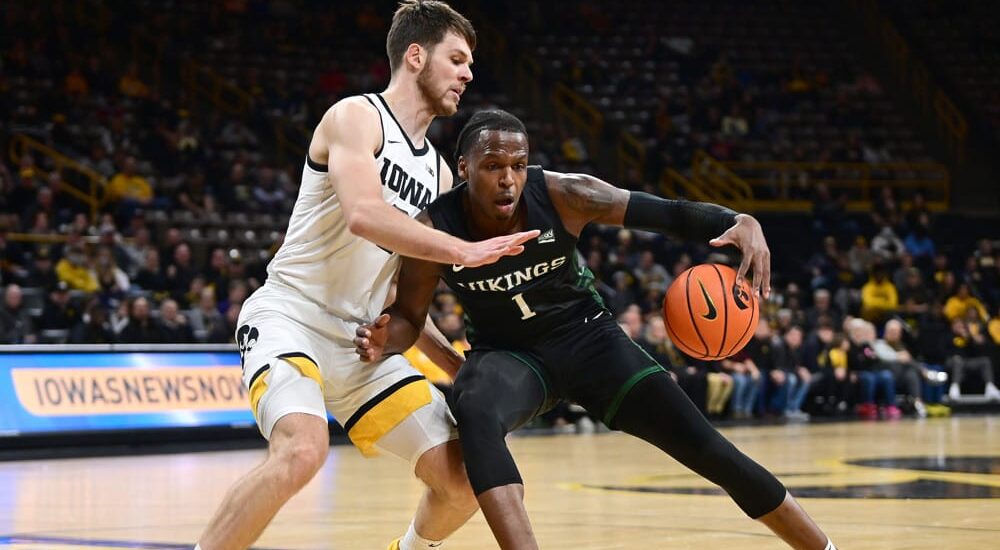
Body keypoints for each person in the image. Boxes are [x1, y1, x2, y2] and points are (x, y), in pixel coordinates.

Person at [355, 110, 836, 549]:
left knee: (709, 449)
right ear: (463, 168)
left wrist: (738, 219)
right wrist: (385, 339)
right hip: (510, 355)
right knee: (474, 406)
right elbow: (409, 319)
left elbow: (664, 214)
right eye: (492, 166)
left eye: (518, 165)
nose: (508, 180)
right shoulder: (432, 229)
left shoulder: (566, 194)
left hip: (589, 339)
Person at [195, 4, 541, 550]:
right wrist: (464, 250)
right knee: (302, 451)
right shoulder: (357, 117)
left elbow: (406, 295)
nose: (467, 74)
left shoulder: (441, 172)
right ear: (415, 55)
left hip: (362, 346)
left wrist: (455, 364)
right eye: (456, 60)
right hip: (292, 317)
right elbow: (364, 213)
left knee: (464, 479)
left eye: (469, 64)